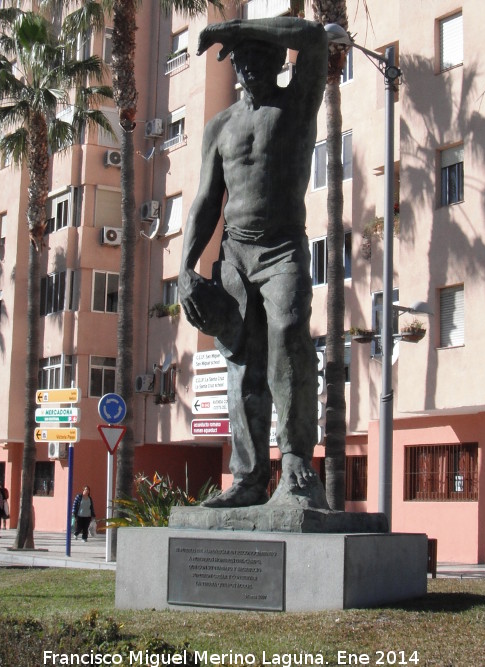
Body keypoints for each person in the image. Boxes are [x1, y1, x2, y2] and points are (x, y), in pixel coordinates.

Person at [179, 17, 329, 509]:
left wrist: (234, 26)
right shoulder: (220, 126)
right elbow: (205, 200)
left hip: (283, 247)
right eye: (242, 61)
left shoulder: (298, 103)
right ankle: (247, 477)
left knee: (288, 338)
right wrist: (185, 268)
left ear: (275, 61)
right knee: (241, 364)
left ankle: (296, 462)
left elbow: (312, 38)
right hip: (235, 255)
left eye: (259, 58)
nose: (249, 69)